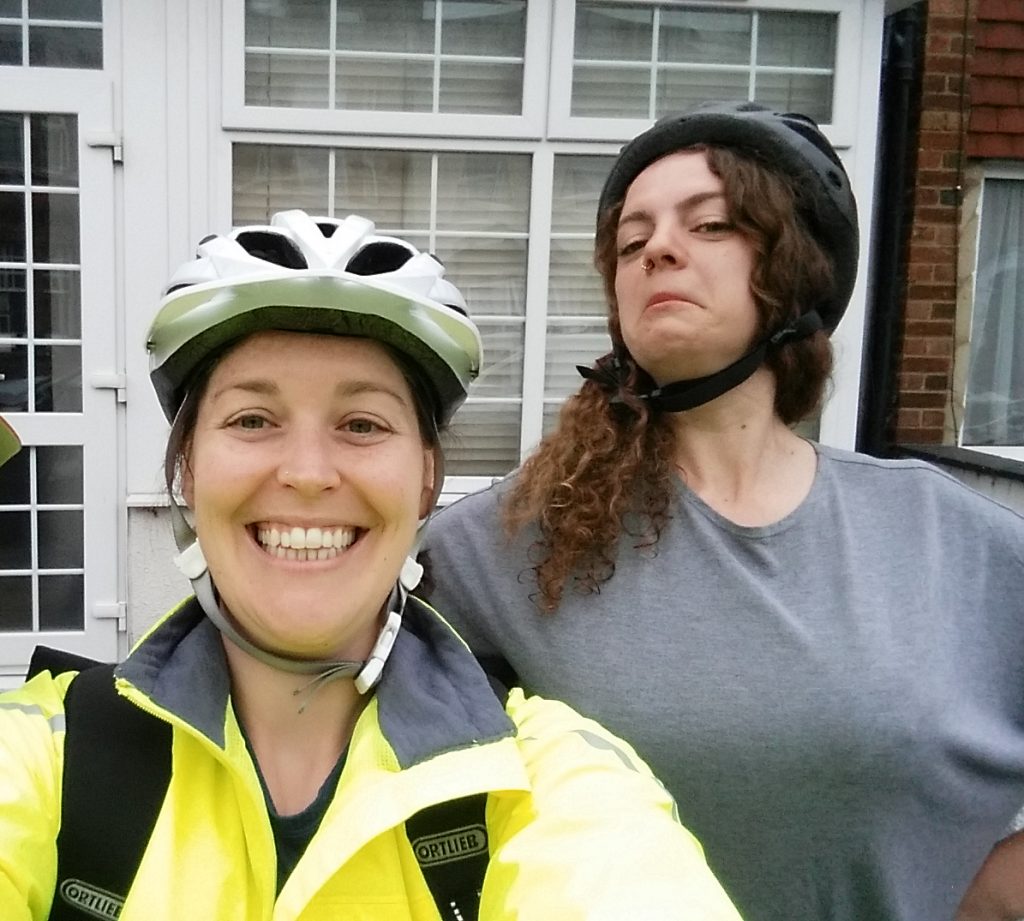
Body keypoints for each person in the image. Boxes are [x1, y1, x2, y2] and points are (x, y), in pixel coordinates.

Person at [0, 210, 743, 920]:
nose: (310, 472)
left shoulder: (546, 780)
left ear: (425, 480)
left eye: (362, 423)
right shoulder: (47, 756)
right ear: (188, 472)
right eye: (252, 419)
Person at [419, 102, 1024, 921]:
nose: (658, 248)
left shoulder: (952, 540)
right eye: (633, 242)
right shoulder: (494, 550)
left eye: (710, 225)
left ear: (796, 273)